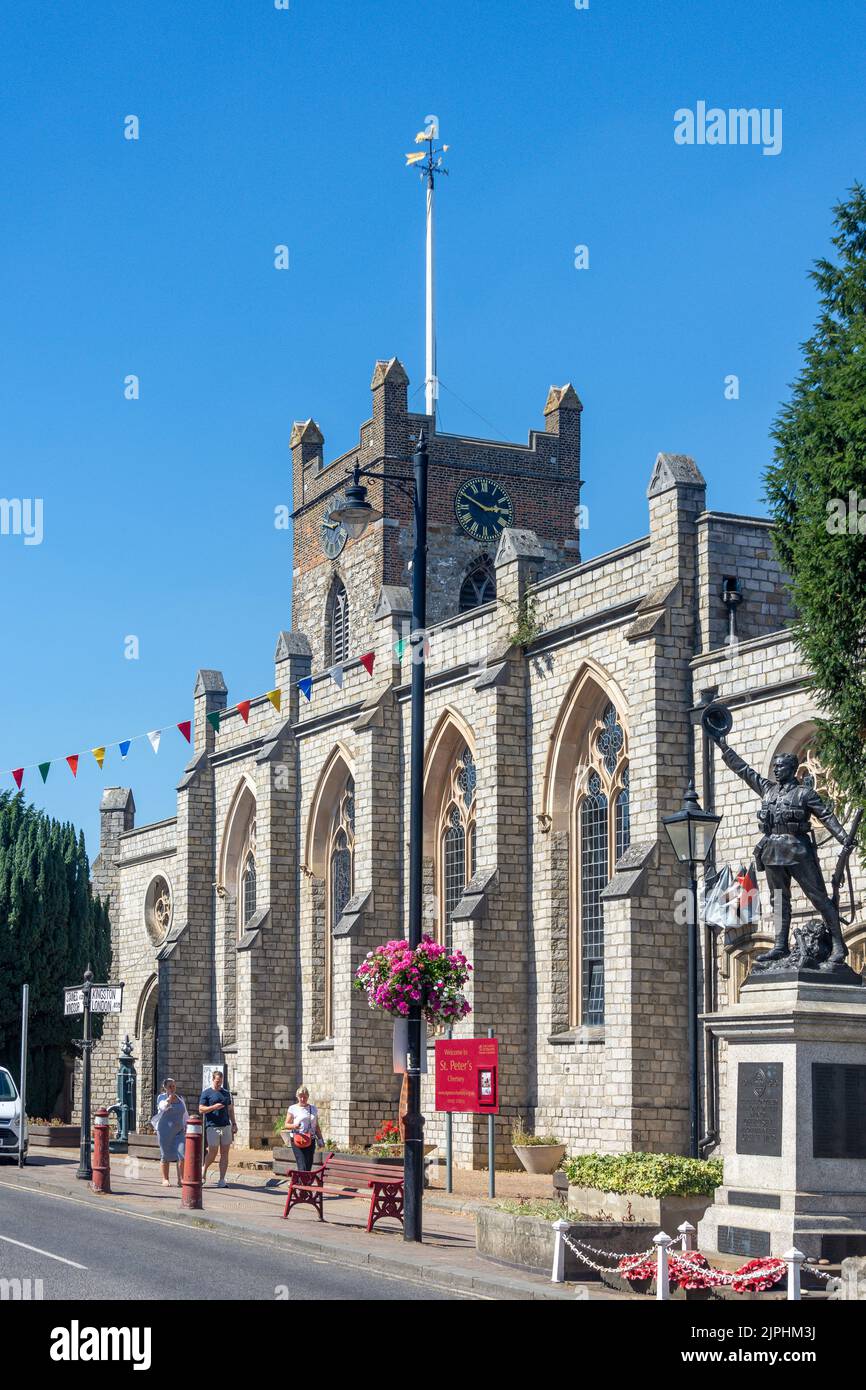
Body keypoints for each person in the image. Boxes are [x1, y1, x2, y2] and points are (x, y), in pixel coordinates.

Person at [713, 731, 852, 966]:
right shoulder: (768, 790)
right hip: (772, 851)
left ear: (791, 768)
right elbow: (744, 771)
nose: (776, 770)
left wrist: (843, 837)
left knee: (819, 898)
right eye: (774, 766)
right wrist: (724, 748)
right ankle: (780, 946)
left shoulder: (804, 793)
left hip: (798, 849)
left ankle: (839, 945)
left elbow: (827, 816)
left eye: (780, 766)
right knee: (779, 900)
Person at [199, 1069, 237, 1187]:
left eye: (220, 1082)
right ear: (213, 1080)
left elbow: (230, 1109)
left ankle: (222, 1179)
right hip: (212, 1126)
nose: (219, 1084)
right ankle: (204, 1170)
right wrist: (213, 1107)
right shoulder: (206, 1093)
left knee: (225, 1153)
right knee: (213, 1152)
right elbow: (201, 1109)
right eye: (217, 1081)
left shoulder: (226, 1093)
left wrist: (234, 1123)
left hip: (225, 1125)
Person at [153, 1078, 188, 1188]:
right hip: (165, 1131)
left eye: (174, 1086)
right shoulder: (161, 1098)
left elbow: (185, 1113)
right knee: (165, 1155)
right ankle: (165, 1179)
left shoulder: (180, 1098)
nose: (172, 1088)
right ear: (165, 1088)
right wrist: (169, 1100)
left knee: (182, 1155)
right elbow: (162, 1107)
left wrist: (187, 1125)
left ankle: (181, 1179)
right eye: (170, 1086)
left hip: (179, 1130)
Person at [284, 1085, 323, 1174]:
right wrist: (294, 1126)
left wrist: (320, 1139)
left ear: (308, 1097)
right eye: (300, 1096)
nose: (302, 1099)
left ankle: (304, 1183)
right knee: (302, 1164)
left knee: (308, 1164)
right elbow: (286, 1125)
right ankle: (302, 1185)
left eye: (304, 1097)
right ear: (297, 1097)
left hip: (311, 1139)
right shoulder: (293, 1108)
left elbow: (316, 1126)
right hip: (298, 1139)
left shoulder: (313, 1108)